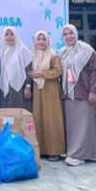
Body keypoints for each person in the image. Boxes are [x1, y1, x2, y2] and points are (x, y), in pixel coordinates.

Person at [59, 24, 96, 166]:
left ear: (76, 34)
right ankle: (79, 151)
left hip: (84, 92)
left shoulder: (87, 50)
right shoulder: (62, 52)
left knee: (86, 124)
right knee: (73, 125)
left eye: (71, 33)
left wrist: (93, 90)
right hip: (69, 94)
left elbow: (94, 71)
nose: (68, 36)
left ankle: (80, 155)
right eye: (65, 34)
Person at [24, 31, 65, 160]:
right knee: (39, 118)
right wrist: (28, 86)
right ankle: (41, 149)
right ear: (35, 42)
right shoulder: (33, 55)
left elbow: (57, 71)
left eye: (43, 39)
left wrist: (42, 73)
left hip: (50, 88)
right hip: (37, 88)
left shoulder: (53, 55)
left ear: (48, 41)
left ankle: (54, 150)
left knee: (52, 118)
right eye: (38, 39)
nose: (41, 42)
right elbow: (30, 73)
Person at [0, 27, 32, 108]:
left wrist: (28, 86)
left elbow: (29, 69)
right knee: (5, 110)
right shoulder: (2, 50)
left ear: (16, 36)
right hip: (5, 86)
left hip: (20, 87)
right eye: (6, 35)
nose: (9, 37)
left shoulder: (23, 49)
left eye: (11, 34)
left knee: (18, 109)